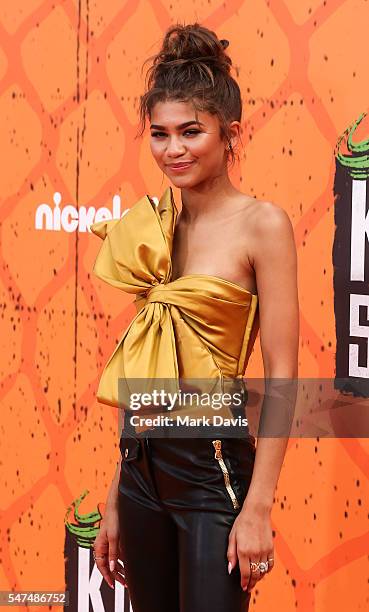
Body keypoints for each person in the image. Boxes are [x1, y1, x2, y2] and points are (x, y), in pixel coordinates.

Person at [90, 22, 299, 612]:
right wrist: (115, 493)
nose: (173, 149)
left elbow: (282, 372)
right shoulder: (154, 226)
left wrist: (258, 507)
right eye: (159, 134)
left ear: (230, 134)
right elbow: (150, 371)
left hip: (214, 474)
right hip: (140, 474)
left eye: (191, 132)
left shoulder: (263, 224)